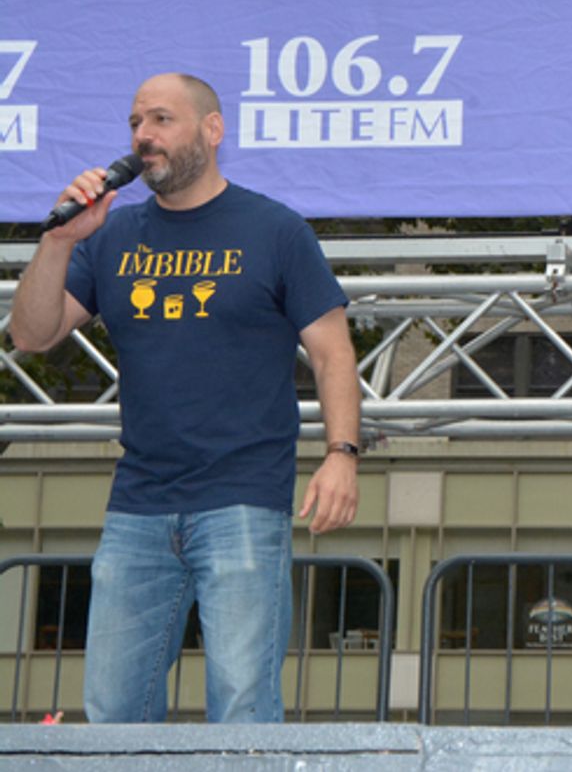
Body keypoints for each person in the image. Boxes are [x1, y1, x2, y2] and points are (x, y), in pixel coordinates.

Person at [9, 73, 361, 723]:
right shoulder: (112, 236)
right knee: (112, 712)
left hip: (244, 500)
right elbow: (31, 333)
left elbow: (333, 351)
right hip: (138, 504)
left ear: (212, 129)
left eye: (162, 119)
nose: (144, 135)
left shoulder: (275, 229)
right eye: (136, 121)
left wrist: (341, 451)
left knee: (242, 709)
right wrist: (58, 241)